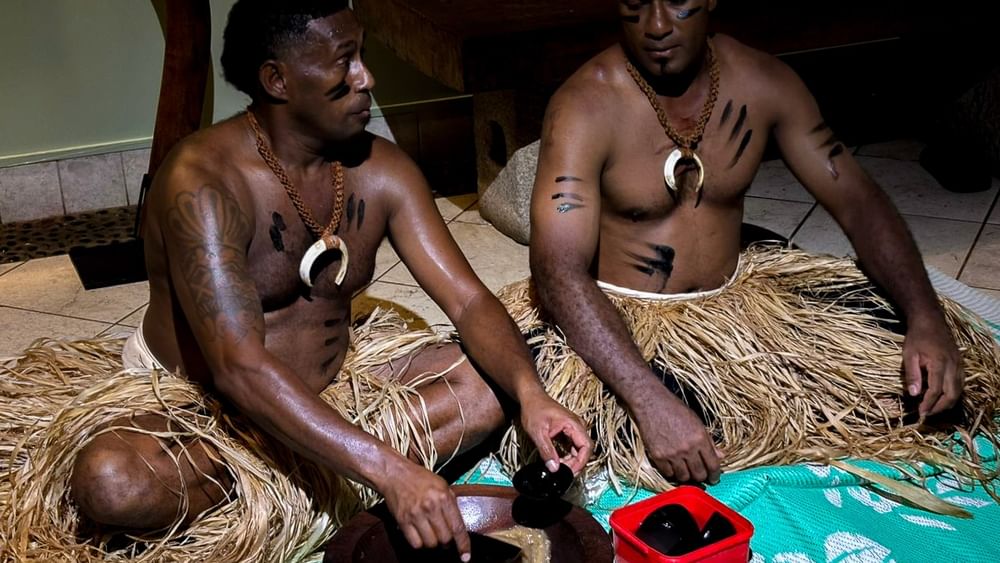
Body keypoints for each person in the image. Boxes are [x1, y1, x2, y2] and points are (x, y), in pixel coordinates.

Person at [0, 1, 591, 560]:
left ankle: (307, 478)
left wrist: (532, 396)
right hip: (203, 406)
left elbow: (466, 300)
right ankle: (314, 481)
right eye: (343, 64)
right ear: (278, 80)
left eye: (362, 56)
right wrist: (388, 468)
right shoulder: (202, 184)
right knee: (114, 482)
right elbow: (238, 366)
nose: (367, 79)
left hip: (334, 383)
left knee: (491, 390)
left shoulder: (381, 170)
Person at [495, 0, 1000, 493]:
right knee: (621, 439)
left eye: (677, 2)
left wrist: (924, 317)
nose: (655, 24)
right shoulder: (584, 105)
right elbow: (558, 272)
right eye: (635, 4)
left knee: (932, 382)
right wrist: (647, 399)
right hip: (624, 320)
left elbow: (858, 202)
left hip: (738, 305)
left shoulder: (762, 81)